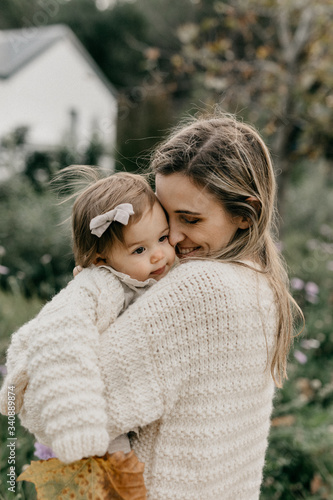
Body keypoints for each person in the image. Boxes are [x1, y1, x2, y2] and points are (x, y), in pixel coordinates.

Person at [2, 112, 302, 499]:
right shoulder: (261, 283)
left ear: (244, 215)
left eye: (190, 219)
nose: (172, 239)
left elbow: (56, 405)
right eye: (164, 218)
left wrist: (44, 342)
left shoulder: (200, 289)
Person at [0, 168, 175, 470]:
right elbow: (63, 342)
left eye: (163, 237)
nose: (159, 254)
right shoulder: (99, 286)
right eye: (139, 249)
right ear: (100, 261)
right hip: (87, 410)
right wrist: (77, 423)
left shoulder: (147, 275)